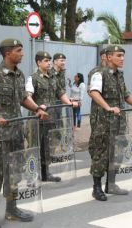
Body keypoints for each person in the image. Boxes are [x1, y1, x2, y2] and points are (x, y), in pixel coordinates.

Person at [0, 39, 48, 228]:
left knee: (14, 173)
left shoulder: (19, 75)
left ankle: (12, 209)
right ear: (8, 53)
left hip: (16, 133)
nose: (22, 53)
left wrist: (36, 109)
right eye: (19, 50)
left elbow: (24, 98)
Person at [88, 45, 132, 201]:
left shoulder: (119, 75)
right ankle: (96, 188)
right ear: (109, 57)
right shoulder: (99, 74)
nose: (122, 58)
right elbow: (93, 92)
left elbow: (126, 95)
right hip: (103, 121)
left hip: (119, 121)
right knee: (101, 153)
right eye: (118, 55)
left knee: (118, 152)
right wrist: (108, 107)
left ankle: (111, 184)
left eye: (123, 56)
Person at [25, 51, 77, 182]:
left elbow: (61, 93)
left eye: (49, 61)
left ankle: (45, 172)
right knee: (34, 147)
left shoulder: (53, 77)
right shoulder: (33, 78)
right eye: (46, 61)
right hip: (37, 119)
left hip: (51, 118)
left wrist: (70, 104)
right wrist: (37, 107)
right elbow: (28, 96)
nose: (48, 63)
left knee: (48, 147)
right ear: (39, 63)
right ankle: (32, 175)